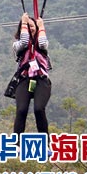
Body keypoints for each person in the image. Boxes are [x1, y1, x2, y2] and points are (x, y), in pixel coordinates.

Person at [12, 12, 52, 142]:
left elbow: (42, 44)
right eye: (27, 26)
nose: (30, 28)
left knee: (39, 109)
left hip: (41, 80)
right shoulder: (17, 45)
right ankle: (17, 143)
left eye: (32, 26)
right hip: (24, 79)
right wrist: (24, 22)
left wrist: (41, 27)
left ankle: (45, 143)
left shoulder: (42, 43)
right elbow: (24, 42)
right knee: (21, 109)